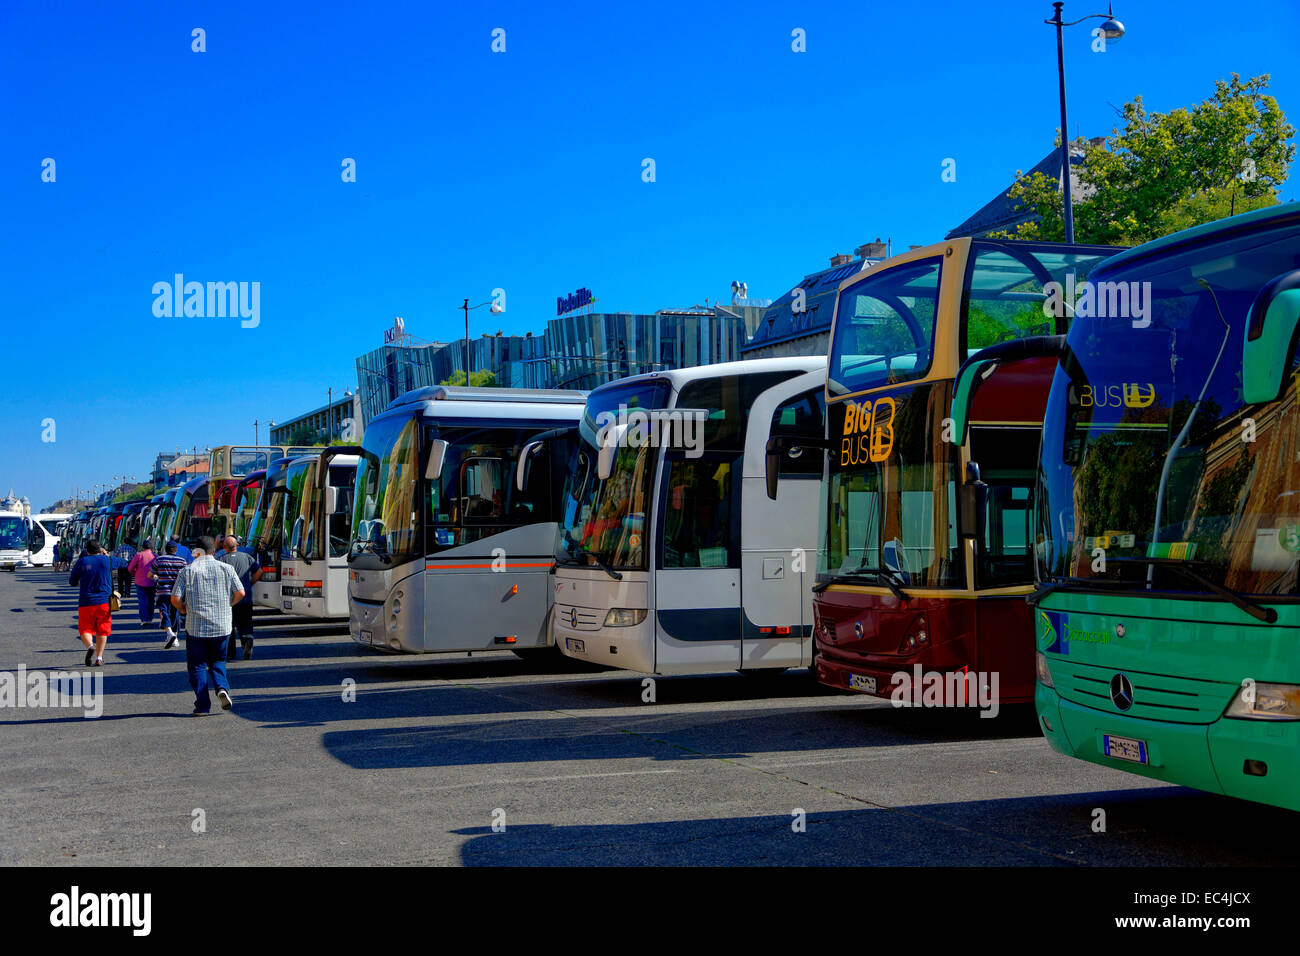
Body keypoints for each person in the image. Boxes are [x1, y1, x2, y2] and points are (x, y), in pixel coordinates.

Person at [171, 535, 244, 716]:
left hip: (196, 628)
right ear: (214, 550)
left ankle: (202, 706)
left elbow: (174, 598)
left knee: (197, 665)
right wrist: (228, 605)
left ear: (197, 552)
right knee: (218, 660)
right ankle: (221, 688)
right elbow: (240, 592)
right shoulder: (226, 568)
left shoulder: (187, 571)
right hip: (222, 626)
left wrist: (183, 609)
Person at [68, 539, 125, 667]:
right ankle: (99, 657)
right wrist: (107, 555)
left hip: (86, 601)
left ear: (87, 551)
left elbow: (72, 581)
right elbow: (123, 563)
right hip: (105, 602)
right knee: (103, 630)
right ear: (100, 549)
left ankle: (90, 646)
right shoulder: (108, 560)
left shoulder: (82, 562)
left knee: (84, 629)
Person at [217, 535, 262, 661]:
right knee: (246, 622)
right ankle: (247, 639)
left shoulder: (220, 559)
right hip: (245, 596)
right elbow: (259, 572)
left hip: (228, 599)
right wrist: (250, 583)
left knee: (229, 626)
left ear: (224, 547)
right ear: (236, 545)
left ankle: (230, 653)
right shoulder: (246, 557)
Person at [149, 541, 188, 649]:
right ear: (176, 550)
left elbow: (150, 574)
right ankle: (175, 638)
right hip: (177, 592)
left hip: (163, 591)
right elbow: (186, 577)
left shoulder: (159, 560)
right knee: (175, 614)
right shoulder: (182, 561)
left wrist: (156, 578)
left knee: (164, 612)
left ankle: (170, 633)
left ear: (166, 549)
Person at [128, 540, 157, 627]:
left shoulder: (139, 555)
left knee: (142, 600)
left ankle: (144, 618)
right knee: (151, 600)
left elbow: (130, 568)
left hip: (139, 581)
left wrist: (135, 573)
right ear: (151, 547)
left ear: (142, 547)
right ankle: (150, 617)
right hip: (152, 581)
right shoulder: (155, 556)